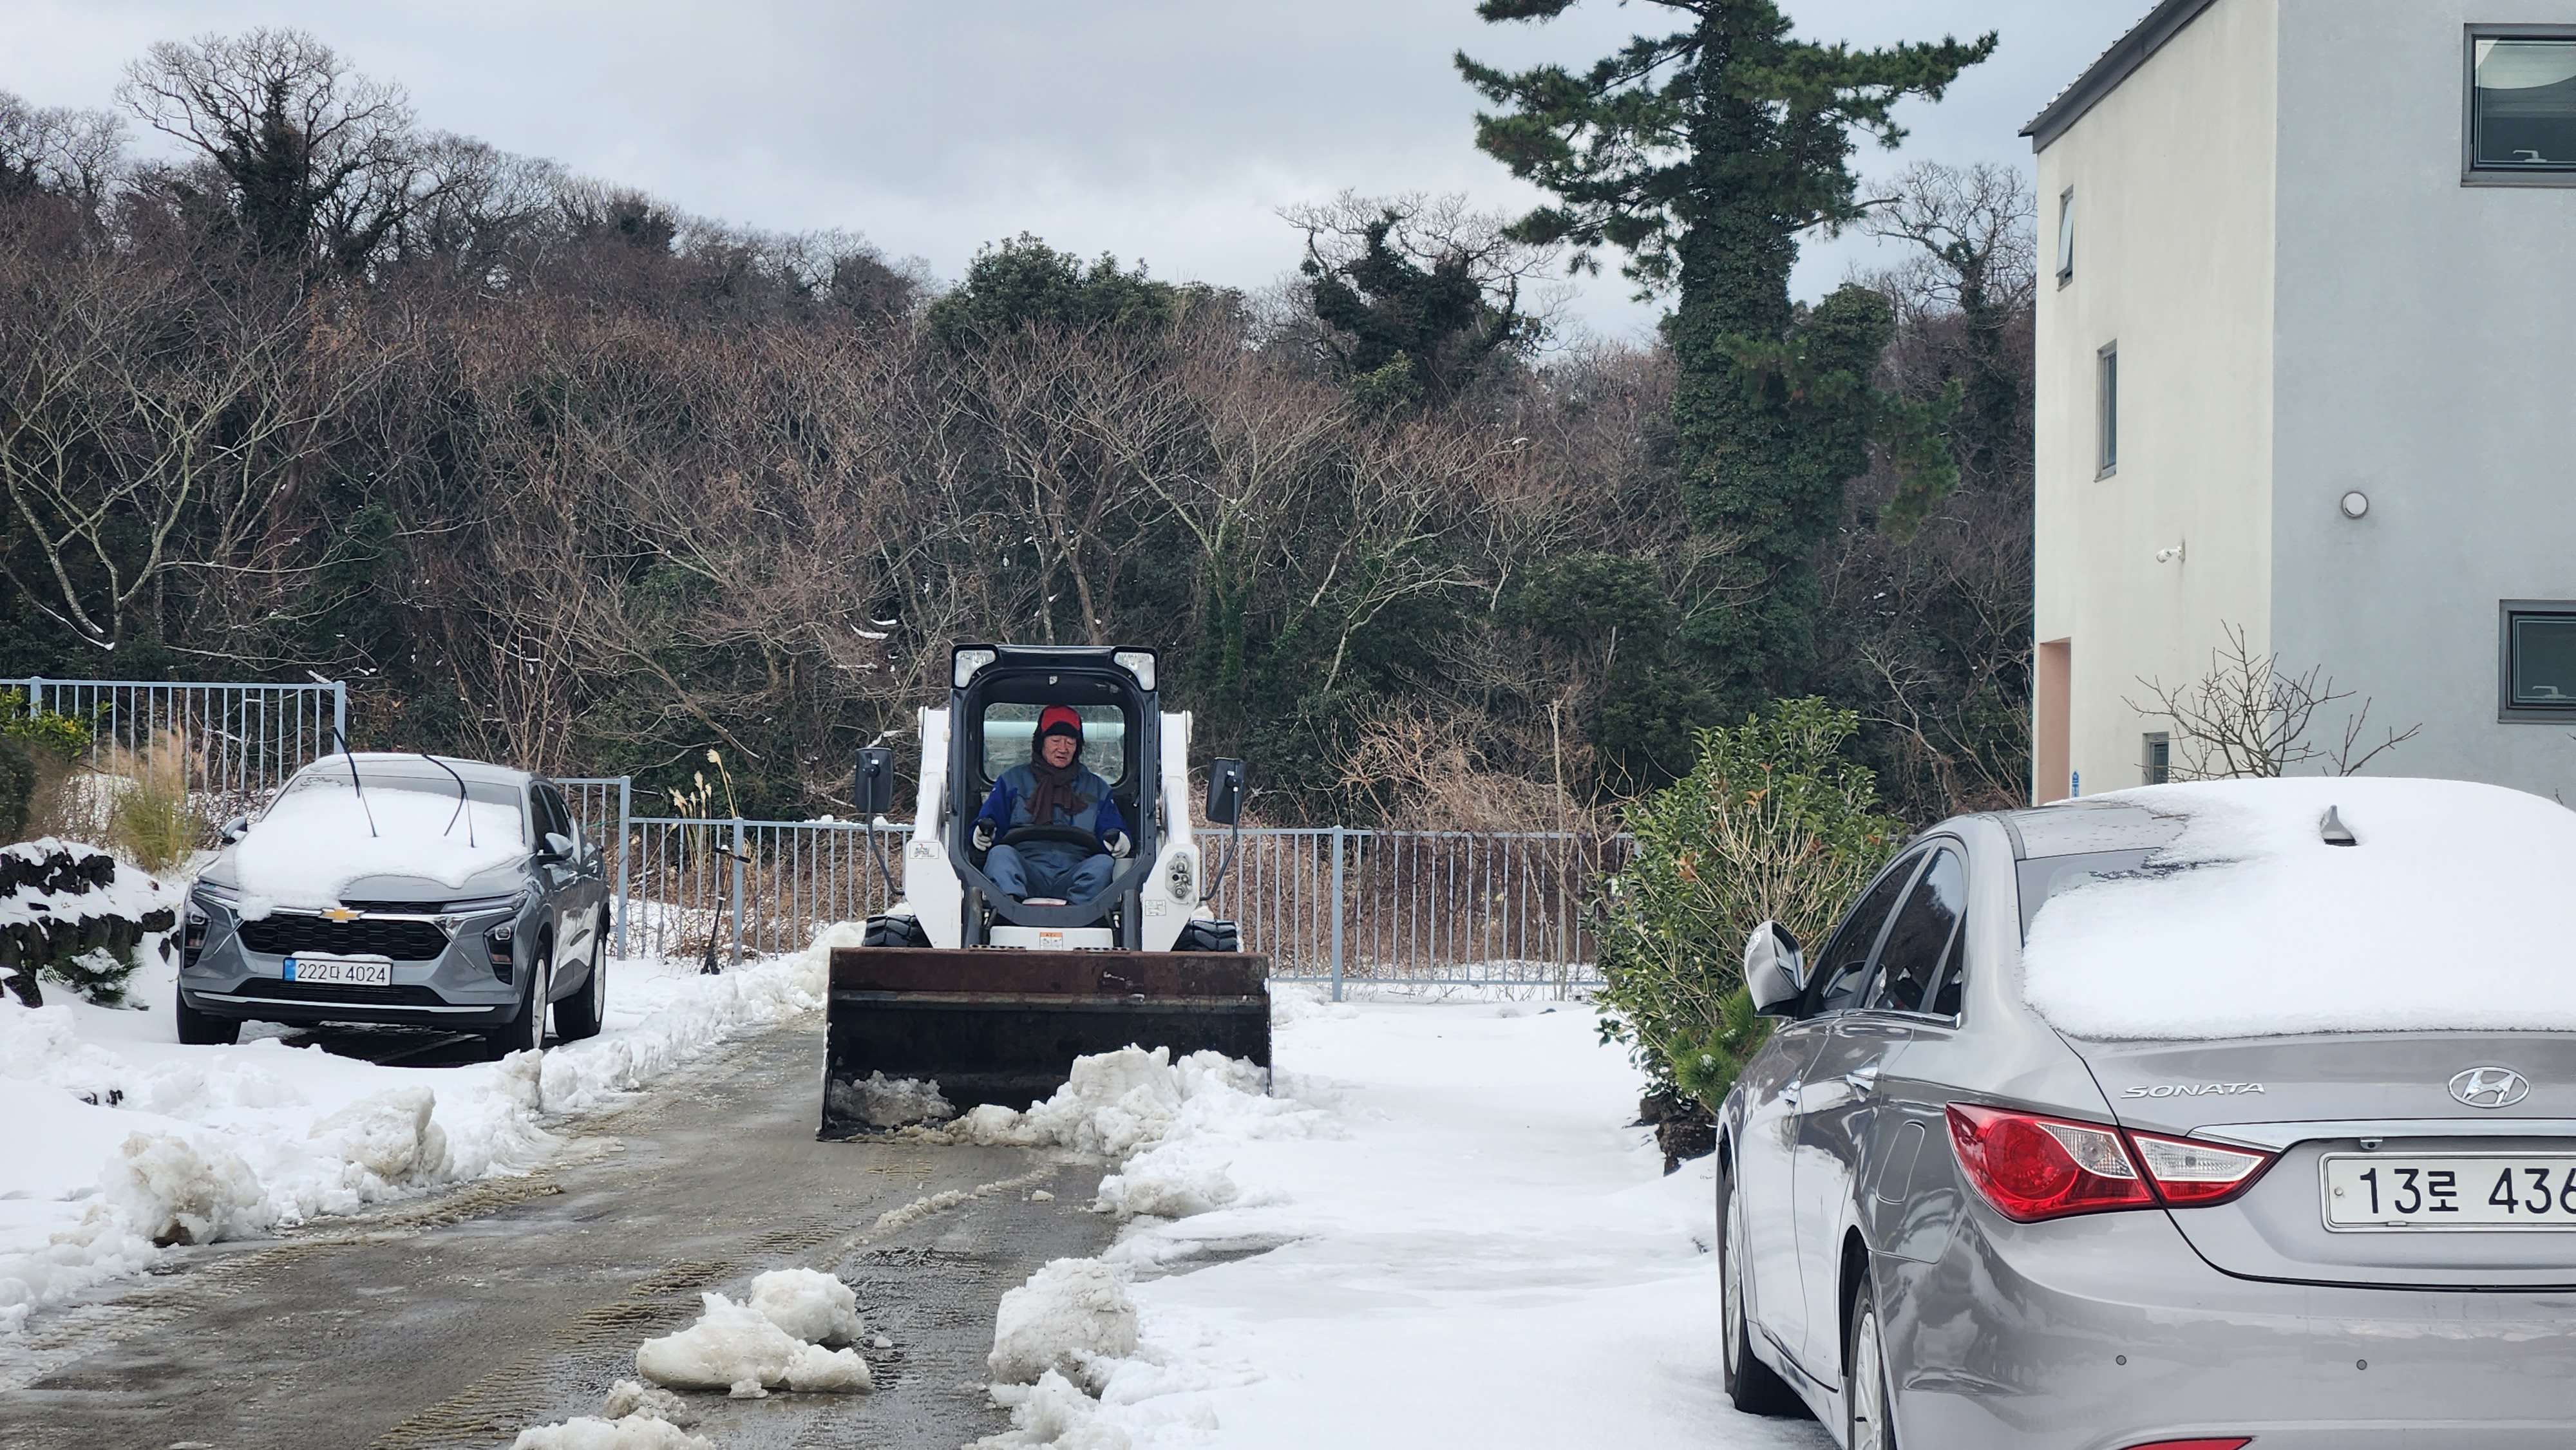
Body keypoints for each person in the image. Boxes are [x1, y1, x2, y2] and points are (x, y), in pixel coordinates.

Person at [971, 704, 1130, 904]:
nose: (1063, 749)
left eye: (1070, 742)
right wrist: (981, 833)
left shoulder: (1097, 788)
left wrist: (1120, 839)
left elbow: (1112, 826)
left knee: (1103, 864)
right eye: (1056, 741)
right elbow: (990, 820)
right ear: (1041, 742)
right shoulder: (1012, 781)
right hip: (1026, 868)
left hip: (1075, 869)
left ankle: (1077, 916)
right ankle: (1010, 911)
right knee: (1000, 855)